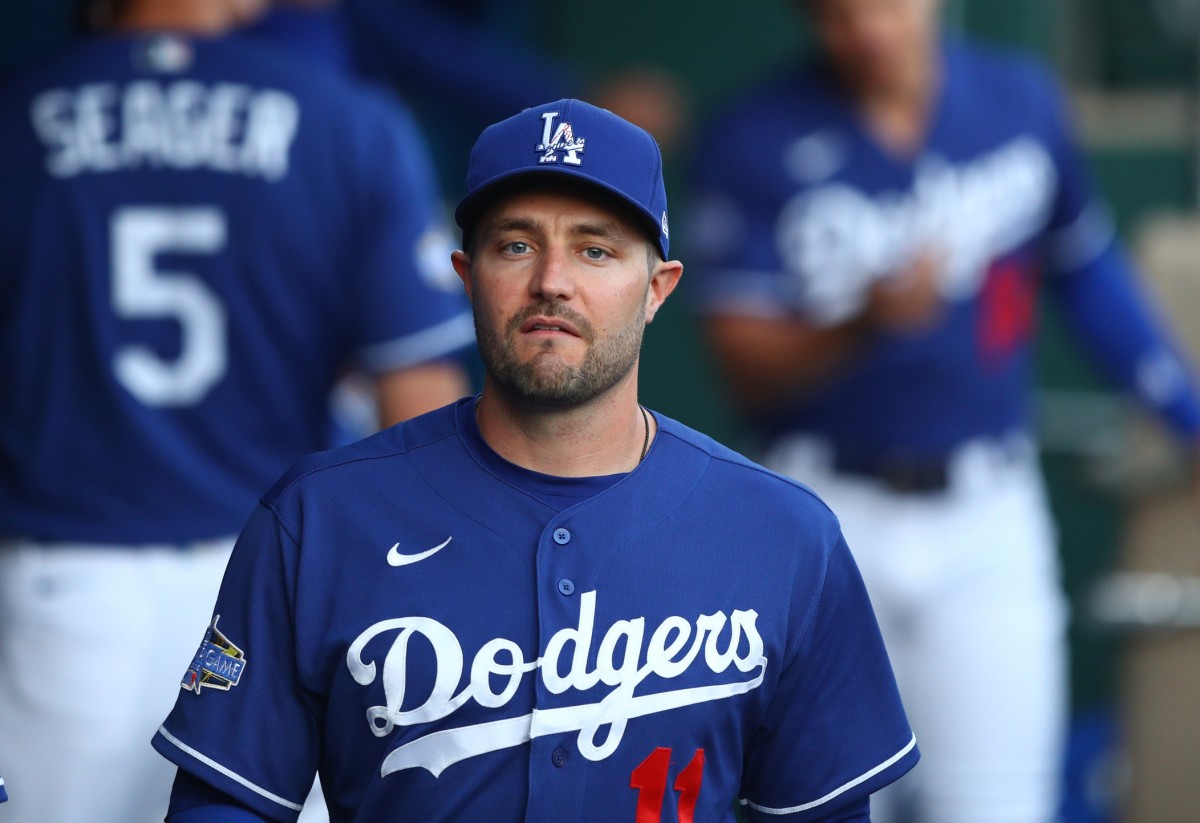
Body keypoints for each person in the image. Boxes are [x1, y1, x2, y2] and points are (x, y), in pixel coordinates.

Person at [151, 98, 919, 822]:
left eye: (595, 248)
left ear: (657, 289)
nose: (552, 281)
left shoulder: (784, 537)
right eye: (516, 244)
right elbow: (227, 799)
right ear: (465, 277)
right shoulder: (318, 518)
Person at [688, 0, 1200, 821]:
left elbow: (1087, 272)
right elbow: (743, 363)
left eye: (885, 7)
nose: (869, 31)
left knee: (999, 807)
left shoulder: (1020, 101)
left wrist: (1188, 414)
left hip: (985, 511)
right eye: (837, 17)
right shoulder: (755, 131)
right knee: (824, 807)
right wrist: (862, 320)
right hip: (822, 514)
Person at [0, 0, 474, 820]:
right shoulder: (345, 120)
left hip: (60, 587)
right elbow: (417, 402)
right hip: (281, 593)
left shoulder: (13, 118)